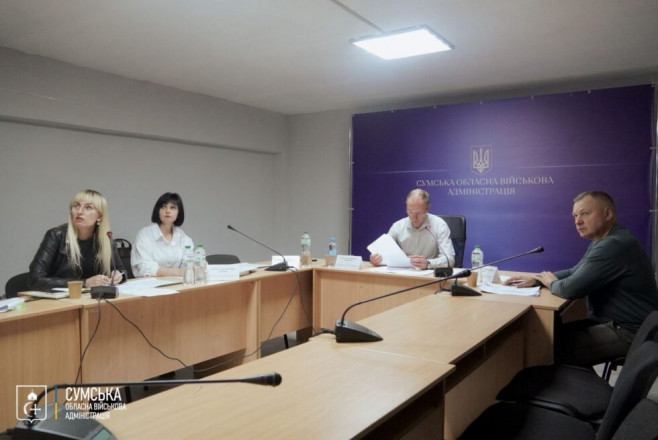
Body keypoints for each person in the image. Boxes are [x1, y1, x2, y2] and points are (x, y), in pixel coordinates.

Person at [505, 190, 658, 366]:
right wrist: (538, 279)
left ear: (607, 214)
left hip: (631, 332)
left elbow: (570, 289)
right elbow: (575, 272)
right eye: (575, 215)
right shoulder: (605, 240)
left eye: (585, 213)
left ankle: (567, 382)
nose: (578, 221)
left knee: (544, 345)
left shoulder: (613, 245)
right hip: (616, 323)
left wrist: (551, 282)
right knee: (546, 333)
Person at [28, 189, 125, 290]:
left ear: (99, 216)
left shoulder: (105, 239)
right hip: (58, 298)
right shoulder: (56, 236)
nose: (79, 211)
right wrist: (84, 283)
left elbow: (121, 270)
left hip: (90, 297)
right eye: (76, 206)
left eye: (88, 207)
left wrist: (119, 275)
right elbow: (34, 279)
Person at [369, 188, 455, 269]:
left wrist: (428, 263)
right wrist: (377, 259)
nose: (414, 217)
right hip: (404, 272)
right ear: (406, 205)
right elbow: (384, 252)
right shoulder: (398, 226)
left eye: (419, 213)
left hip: (429, 273)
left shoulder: (439, 225)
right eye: (410, 212)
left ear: (428, 208)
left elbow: (450, 259)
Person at [131, 192, 194, 277]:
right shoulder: (145, 235)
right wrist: (177, 272)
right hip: (150, 283)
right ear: (158, 211)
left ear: (179, 212)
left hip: (176, 283)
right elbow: (145, 268)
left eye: (172, 208)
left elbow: (189, 264)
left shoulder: (183, 237)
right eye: (163, 207)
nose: (167, 211)